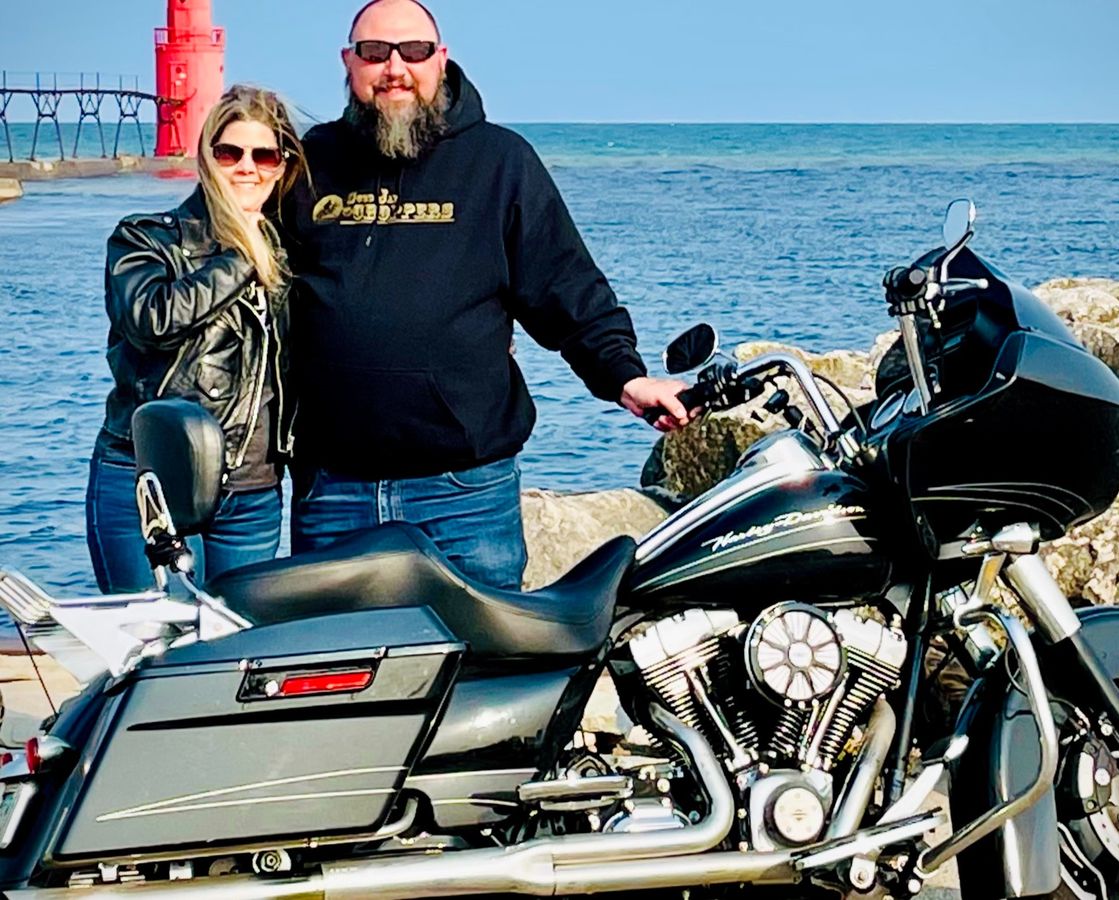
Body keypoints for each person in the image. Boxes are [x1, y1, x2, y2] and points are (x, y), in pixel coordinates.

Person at [281, 0, 693, 591]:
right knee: (333, 653)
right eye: (374, 53)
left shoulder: (500, 161)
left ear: (441, 59)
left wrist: (625, 376)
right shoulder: (311, 161)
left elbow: (565, 285)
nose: (395, 68)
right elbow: (243, 258)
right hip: (332, 491)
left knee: (479, 654)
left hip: (463, 495)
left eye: (414, 51)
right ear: (349, 62)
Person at [87, 85, 306, 592]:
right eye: (230, 153)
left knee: (236, 638)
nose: (247, 168)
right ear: (207, 158)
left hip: (252, 496)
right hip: (153, 482)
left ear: (282, 167)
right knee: (159, 636)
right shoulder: (145, 238)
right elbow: (152, 320)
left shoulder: (289, 251)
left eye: (264, 156)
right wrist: (242, 256)